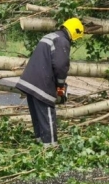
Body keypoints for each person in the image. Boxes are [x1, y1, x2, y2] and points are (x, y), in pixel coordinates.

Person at [15, 18, 84, 147]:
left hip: (30, 80)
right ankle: (51, 148)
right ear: (75, 32)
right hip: (42, 83)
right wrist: (60, 86)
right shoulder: (62, 41)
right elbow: (60, 66)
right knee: (48, 115)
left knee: (37, 116)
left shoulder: (51, 36)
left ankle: (40, 143)